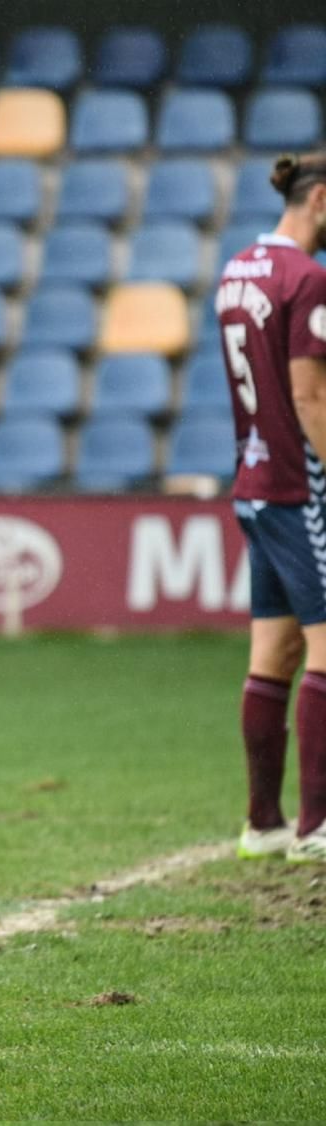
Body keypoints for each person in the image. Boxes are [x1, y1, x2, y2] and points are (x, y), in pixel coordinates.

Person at [218, 150, 326, 865]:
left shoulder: (239, 269)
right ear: (320, 200)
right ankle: (317, 827)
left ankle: (262, 823)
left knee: (275, 650)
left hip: (253, 479)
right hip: (297, 484)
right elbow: (310, 394)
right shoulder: (307, 278)